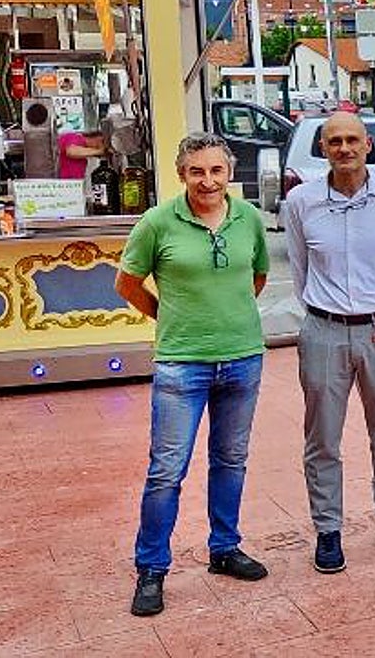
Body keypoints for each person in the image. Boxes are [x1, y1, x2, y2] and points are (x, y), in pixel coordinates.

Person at [115, 133, 271, 617]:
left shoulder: (249, 219)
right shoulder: (157, 222)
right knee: (166, 471)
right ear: (182, 174)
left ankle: (224, 548)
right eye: (197, 171)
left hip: (243, 358)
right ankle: (151, 568)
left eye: (216, 171)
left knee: (231, 460)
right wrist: (169, 317)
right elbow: (126, 283)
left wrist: (227, 316)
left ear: (230, 174)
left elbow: (258, 276)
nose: (207, 181)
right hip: (182, 364)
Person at [285, 112, 375, 574]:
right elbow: (299, 268)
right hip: (324, 332)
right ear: (322, 148)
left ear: (368, 144)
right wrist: (322, 314)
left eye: (352, 140)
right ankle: (328, 529)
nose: (344, 148)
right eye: (335, 141)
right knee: (322, 438)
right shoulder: (302, 201)